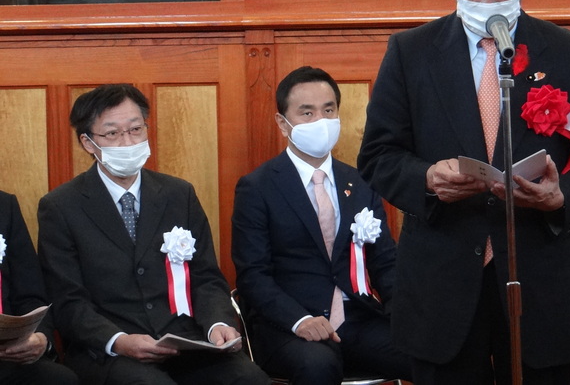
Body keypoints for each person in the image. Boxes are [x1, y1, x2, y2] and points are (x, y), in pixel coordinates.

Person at [357, 0, 570, 385]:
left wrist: (562, 199)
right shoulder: (410, 52)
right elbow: (377, 155)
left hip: (540, 279)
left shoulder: (568, 51)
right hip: (441, 286)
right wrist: (427, 180)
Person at [37, 84, 270, 385]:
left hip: (186, 343)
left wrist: (218, 323)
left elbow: (206, 277)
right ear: (88, 142)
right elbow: (68, 300)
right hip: (110, 351)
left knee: (249, 379)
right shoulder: (60, 207)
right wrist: (118, 340)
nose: (127, 141)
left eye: (135, 129)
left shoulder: (178, 194)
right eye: (112, 133)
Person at [232, 66, 411, 384]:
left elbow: (385, 260)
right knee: (318, 365)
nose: (321, 121)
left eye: (328, 111)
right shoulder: (257, 187)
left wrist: (405, 317)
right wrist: (298, 319)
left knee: (430, 354)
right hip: (289, 325)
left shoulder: (359, 182)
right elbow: (253, 276)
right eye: (307, 113)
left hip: (357, 317)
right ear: (282, 124)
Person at [0, 190, 79, 385]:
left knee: (61, 379)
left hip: (4, 355)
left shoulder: (4, 205)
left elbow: (29, 294)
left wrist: (39, 337)